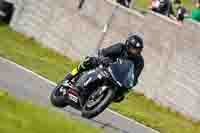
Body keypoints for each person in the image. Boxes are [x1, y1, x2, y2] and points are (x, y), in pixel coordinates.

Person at [63, 33, 144, 102]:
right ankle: (69, 78)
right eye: (133, 49)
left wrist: (130, 84)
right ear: (128, 45)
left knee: (119, 97)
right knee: (89, 61)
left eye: (137, 50)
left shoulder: (139, 61)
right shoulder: (120, 47)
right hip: (106, 66)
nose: (135, 51)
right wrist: (104, 59)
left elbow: (135, 76)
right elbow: (104, 52)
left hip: (118, 79)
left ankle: (96, 98)